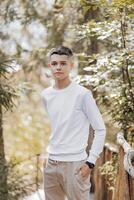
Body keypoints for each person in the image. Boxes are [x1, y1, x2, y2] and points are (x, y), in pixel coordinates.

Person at [41, 46, 106, 200]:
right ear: (50, 66)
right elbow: (57, 128)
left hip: (75, 165)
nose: (58, 67)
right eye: (54, 63)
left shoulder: (82, 94)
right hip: (51, 164)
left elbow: (100, 129)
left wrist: (90, 162)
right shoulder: (46, 95)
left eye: (63, 63)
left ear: (71, 66)